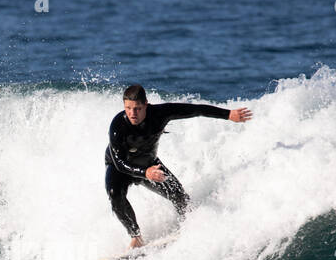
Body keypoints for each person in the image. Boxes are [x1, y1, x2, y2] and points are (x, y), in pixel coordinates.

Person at [106, 84, 251, 248]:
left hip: (150, 165)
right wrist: (144, 173)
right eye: (128, 108)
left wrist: (228, 114)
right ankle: (136, 237)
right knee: (114, 194)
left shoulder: (160, 113)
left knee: (179, 196)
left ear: (146, 104)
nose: (133, 113)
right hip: (121, 167)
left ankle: (190, 225)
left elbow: (196, 110)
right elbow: (119, 163)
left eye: (137, 108)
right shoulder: (118, 126)